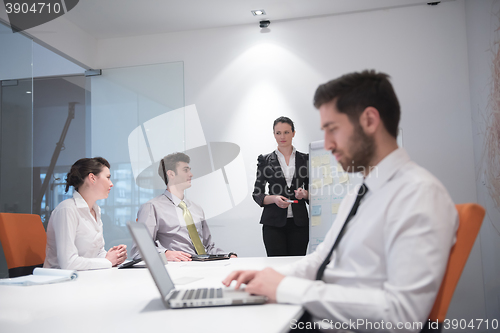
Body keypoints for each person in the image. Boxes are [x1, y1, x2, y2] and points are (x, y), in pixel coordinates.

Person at [223, 70, 458, 331]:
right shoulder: (361, 193)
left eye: (332, 129)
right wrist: (270, 277)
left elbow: (403, 315)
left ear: (369, 120)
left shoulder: (419, 194)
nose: (327, 144)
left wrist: (286, 287)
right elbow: (321, 259)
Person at [130, 152, 237, 261]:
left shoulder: (197, 209)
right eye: (185, 170)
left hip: (205, 265)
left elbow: (208, 247)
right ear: (171, 174)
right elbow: (139, 251)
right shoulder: (152, 207)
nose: (191, 174)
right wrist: (165, 254)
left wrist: (228, 255)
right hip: (178, 268)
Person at [44, 157, 127, 270]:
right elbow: (68, 263)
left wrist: (113, 257)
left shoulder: (96, 210)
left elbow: (97, 254)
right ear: (92, 178)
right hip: (61, 281)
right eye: (108, 178)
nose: (111, 184)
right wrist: (108, 261)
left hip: (86, 277)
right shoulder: (67, 209)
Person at [253, 116, 309, 256]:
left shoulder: (305, 159)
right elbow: (257, 194)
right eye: (278, 133)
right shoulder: (264, 160)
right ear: (274, 134)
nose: (282, 136)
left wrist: (305, 194)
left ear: (293, 133)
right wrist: (274, 199)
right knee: (276, 266)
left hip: (299, 223)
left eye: (286, 132)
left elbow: (313, 190)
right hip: (273, 224)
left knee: (297, 266)